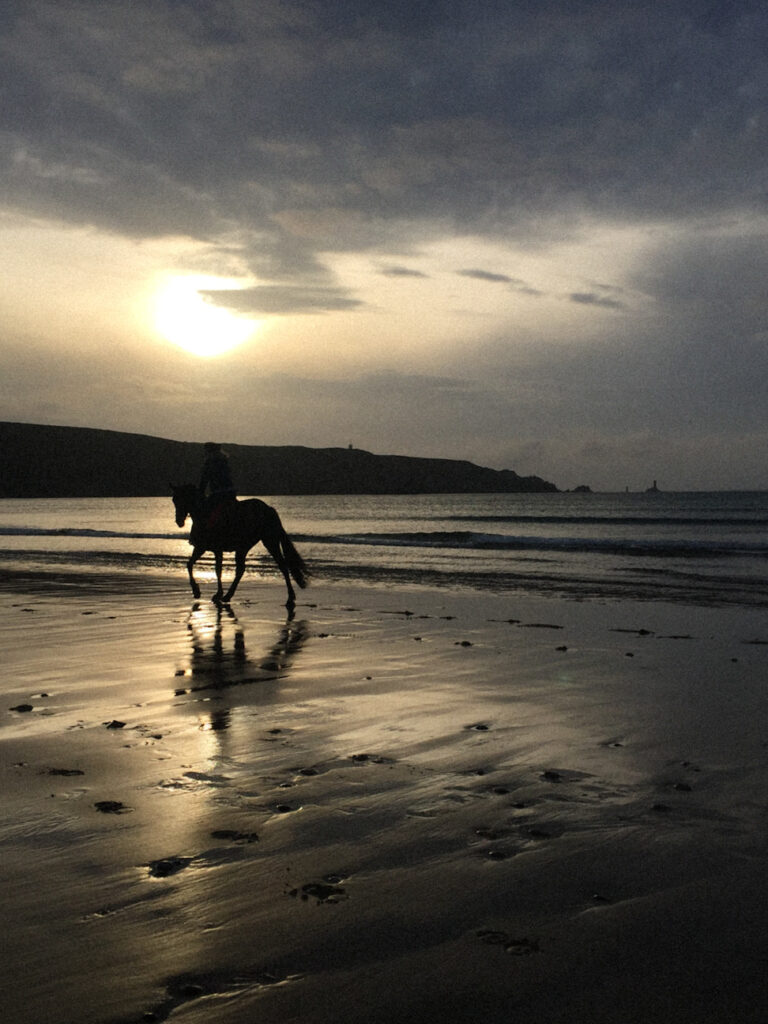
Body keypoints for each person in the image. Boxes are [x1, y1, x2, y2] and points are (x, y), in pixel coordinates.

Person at [198, 442, 237, 539]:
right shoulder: (224, 460)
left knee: (204, 511)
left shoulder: (210, 462)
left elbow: (205, 479)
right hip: (231, 491)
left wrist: (200, 492)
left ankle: (206, 534)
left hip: (218, 492)